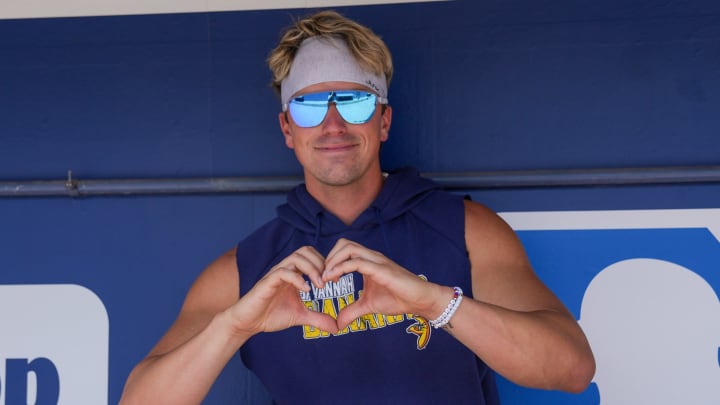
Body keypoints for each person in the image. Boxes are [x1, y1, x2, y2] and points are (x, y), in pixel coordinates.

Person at [120, 10, 595, 404]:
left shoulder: (465, 230)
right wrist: (235, 326)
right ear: (287, 129)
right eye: (309, 107)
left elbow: (571, 369)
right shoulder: (245, 271)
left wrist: (433, 302)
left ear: (384, 120)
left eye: (353, 103)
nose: (333, 124)